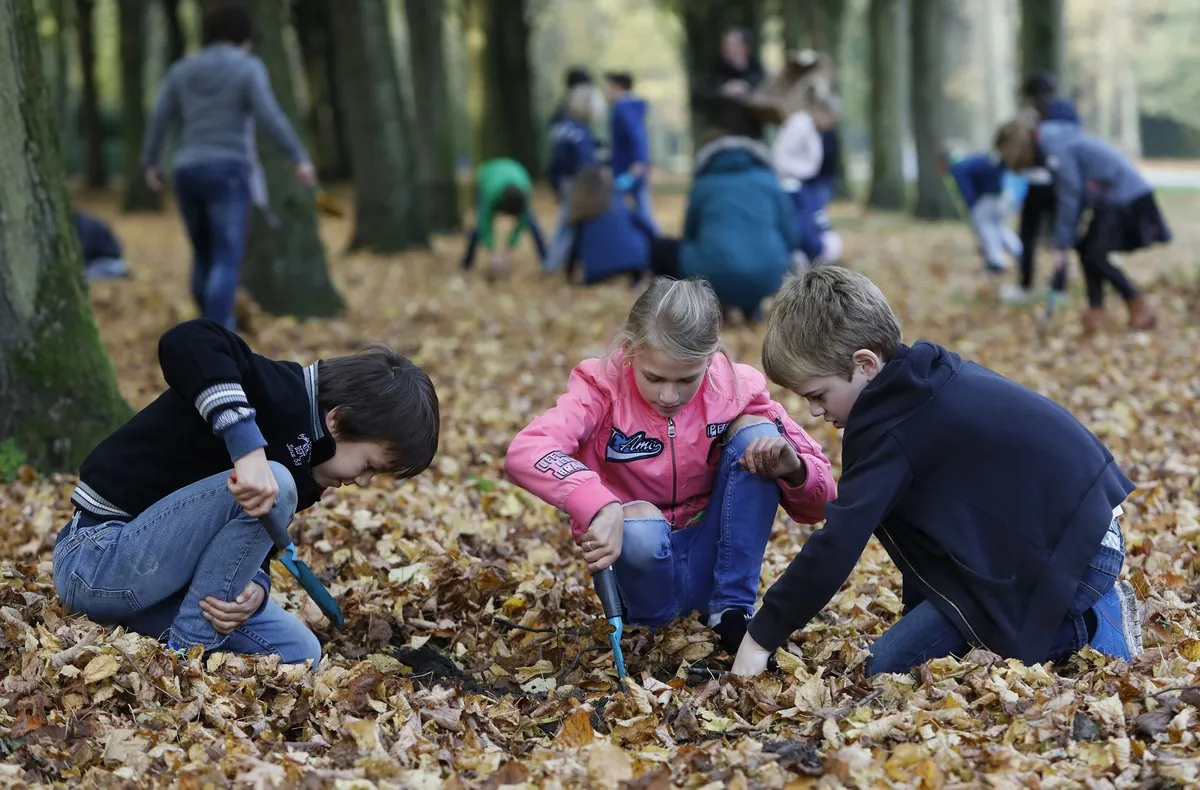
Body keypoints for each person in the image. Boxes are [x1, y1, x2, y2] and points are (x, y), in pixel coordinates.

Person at [730, 266, 1144, 677]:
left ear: (866, 365)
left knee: (889, 671)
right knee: (902, 663)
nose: (816, 411)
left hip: (1078, 554)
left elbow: (837, 542)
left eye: (818, 394)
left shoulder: (892, 429)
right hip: (1058, 538)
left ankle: (1091, 624)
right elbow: (923, 527)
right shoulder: (918, 380)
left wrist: (761, 637)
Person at [52, 319, 440, 666]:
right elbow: (188, 339)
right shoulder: (276, 391)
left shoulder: (310, 464)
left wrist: (255, 585)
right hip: (95, 560)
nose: (364, 481)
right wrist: (246, 447)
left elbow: (245, 534)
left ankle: (158, 637)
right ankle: (185, 659)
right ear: (337, 419)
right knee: (278, 483)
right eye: (370, 465)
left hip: (160, 586)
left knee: (300, 652)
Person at [505, 277, 835, 655]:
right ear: (629, 350)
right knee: (641, 522)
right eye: (654, 377)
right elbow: (527, 450)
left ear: (712, 358)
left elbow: (822, 501)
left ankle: (731, 614)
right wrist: (598, 503)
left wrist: (793, 470)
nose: (668, 395)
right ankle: (652, 633)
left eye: (686, 380)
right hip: (640, 564)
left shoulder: (736, 389)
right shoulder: (601, 387)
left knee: (756, 435)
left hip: (716, 556)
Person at [140, 4, 316, 331]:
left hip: (187, 170)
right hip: (228, 172)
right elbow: (270, 116)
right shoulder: (248, 67)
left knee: (203, 254)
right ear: (242, 37)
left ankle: (210, 324)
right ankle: (218, 335)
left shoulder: (182, 70)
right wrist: (298, 157)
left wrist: (151, 161)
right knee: (225, 258)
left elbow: (159, 117)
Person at [995, 119, 1166, 335]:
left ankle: (1137, 302)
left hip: (1125, 195)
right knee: (1087, 249)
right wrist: (1066, 238)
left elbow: (1070, 194)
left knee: (1094, 253)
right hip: (1110, 196)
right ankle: (1096, 311)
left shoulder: (1055, 147)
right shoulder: (1053, 142)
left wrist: (1061, 243)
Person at [649, 98, 803, 321]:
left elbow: (690, 234)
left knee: (661, 250)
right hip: (769, 275)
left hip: (713, 276)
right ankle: (751, 306)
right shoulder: (770, 181)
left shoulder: (704, 184)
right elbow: (791, 237)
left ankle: (681, 315)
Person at [1006, 72, 1083, 304]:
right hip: (1060, 183)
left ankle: (1026, 285)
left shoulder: (1030, 116)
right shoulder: (1067, 112)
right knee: (1059, 235)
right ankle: (1059, 287)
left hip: (1035, 182)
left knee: (1028, 235)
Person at [772, 92, 842, 265]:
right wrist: (803, 172)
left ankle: (815, 254)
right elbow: (780, 157)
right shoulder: (800, 125)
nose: (829, 124)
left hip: (805, 184)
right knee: (802, 224)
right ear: (820, 111)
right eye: (829, 118)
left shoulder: (812, 128)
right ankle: (812, 252)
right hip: (793, 185)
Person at [562, 165, 654, 287]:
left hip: (599, 271)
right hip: (635, 263)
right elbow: (645, 226)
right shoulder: (620, 201)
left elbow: (575, 248)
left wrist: (569, 274)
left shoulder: (583, 213)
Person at [546, 84, 605, 273]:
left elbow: (554, 160)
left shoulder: (563, 127)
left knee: (567, 223)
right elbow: (586, 163)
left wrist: (555, 185)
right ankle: (554, 265)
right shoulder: (580, 131)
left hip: (563, 180)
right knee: (570, 224)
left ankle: (558, 263)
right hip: (578, 182)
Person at [938, 148, 1024, 274]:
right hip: (1001, 194)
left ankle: (996, 262)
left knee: (985, 227)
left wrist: (973, 207)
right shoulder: (969, 162)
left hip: (989, 197)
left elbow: (967, 190)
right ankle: (1019, 252)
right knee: (997, 227)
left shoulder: (958, 168)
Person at [461, 158, 548, 278]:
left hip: (516, 173)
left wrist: (508, 252)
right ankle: (467, 261)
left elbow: (521, 223)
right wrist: (492, 253)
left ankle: (546, 259)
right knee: (478, 225)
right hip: (488, 176)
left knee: (531, 222)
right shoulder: (491, 192)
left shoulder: (526, 193)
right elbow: (485, 222)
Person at [604, 71, 657, 232]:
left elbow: (637, 135)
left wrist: (639, 162)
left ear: (617, 87)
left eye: (608, 87)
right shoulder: (629, 108)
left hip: (628, 169)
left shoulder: (623, 109)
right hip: (631, 167)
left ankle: (655, 242)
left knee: (639, 210)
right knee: (640, 208)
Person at [74, 211, 130, 282]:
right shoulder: (84, 221)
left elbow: (82, 250)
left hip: (107, 262)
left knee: (83, 275)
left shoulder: (83, 225)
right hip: (103, 261)